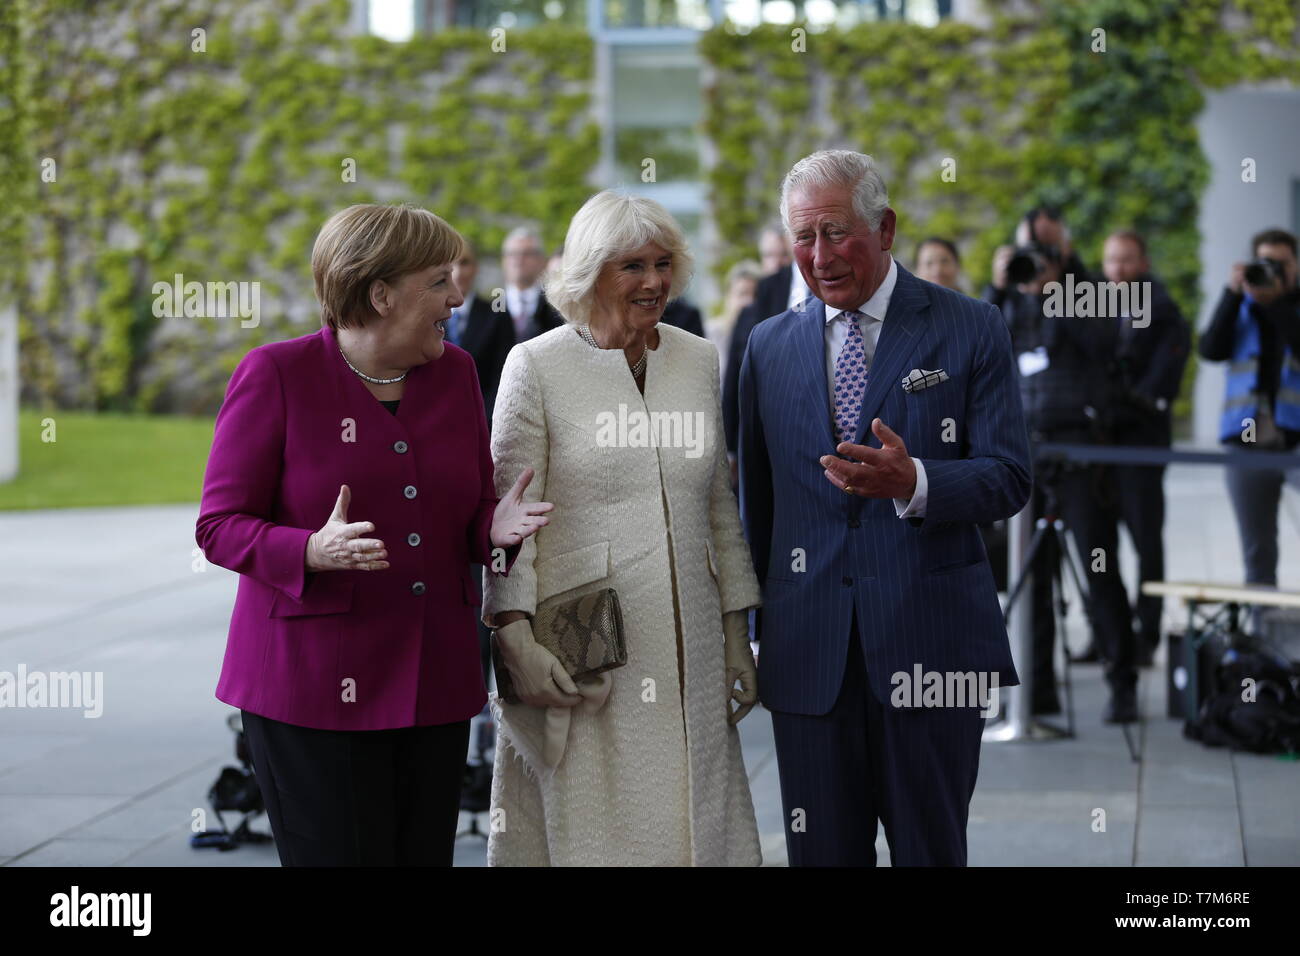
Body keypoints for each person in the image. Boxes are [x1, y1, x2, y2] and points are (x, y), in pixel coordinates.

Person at [195, 203, 552, 866]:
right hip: (310, 690)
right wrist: (307, 548)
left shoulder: (456, 374)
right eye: (438, 282)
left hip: (435, 684)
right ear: (380, 293)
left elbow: (470, 509)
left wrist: (493, 528)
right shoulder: (276, 374)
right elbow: (218, 526)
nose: (457, 297)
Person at [739, 150, 1031, 866]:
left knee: (930, 853)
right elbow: (756, 505)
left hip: (932, 652)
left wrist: (917, 483)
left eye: (837, 233)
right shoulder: (765, 347)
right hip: (809, 661)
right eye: (804, 238)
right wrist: (751, 633)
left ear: (887, 227)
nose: (819, 256)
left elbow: (1009, 477)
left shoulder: (972, 327)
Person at [483, 189, 763, 866]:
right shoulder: (537, 366)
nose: (654, 281)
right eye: (632, 266)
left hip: (691, 644)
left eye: (663, 263)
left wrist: (737, 632)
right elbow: (509, 517)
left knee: (697, 829)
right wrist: (512, 636)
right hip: (585, 650)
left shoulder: (696, 358)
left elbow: (717, 503)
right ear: (588, 275)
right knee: (601, 832)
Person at [1100, 229, 1190, 664]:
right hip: (1100, 447)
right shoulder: (1093, 309)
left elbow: (1159, 385)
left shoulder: (1163, 310)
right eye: (1112, 260)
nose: (1118, 268)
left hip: (1140, 444)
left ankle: (1149, 631)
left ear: (1144, 263)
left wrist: (1122, 400)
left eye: (1127, 259)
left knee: (1145, 540)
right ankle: (1109, 629)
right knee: (1101, 547)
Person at [1198, 227, 1300, 591]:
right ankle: (1261, 639)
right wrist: (1231, 292)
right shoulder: (1240, 305)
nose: (1272, 270)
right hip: (1246, 441)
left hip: (1294, 441)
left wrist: (1275, 304)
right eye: (1265, 262)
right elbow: (1210, 349)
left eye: (1281, 264)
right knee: (1258, 553)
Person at [724, 224, 810, 454]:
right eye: (768, 255)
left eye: (783, 255)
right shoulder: (755, 307)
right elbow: (736, 375)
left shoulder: (806, 293)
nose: (775, 263)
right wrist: (731, 448)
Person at [448, 238, 516, 422]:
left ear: (476, 267)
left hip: (483, 420)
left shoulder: (497, 315)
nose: (458, 271)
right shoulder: (428, 316)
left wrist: (484, 418)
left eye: (465, 263)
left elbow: (503, 376)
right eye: (451, 263)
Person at [502, 226, 564, 341]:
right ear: (504, 261)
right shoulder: (493, 304)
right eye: (513, 254)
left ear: (541, 260)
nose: (519, 260)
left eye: (527, 253)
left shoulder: (555, 305)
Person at [706, 259, 761, 386]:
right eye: (742, 293)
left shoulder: (767, 337)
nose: (749, 302)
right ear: (729, 296)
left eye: (755, 295)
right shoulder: (710, 333)